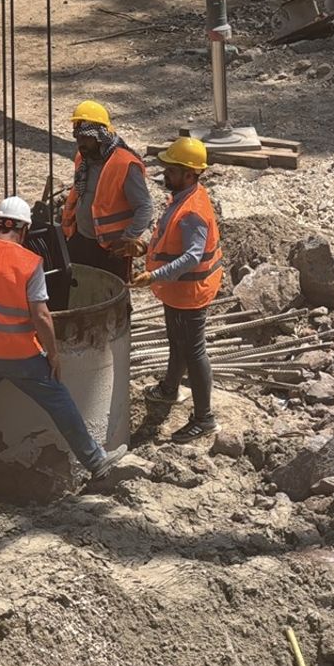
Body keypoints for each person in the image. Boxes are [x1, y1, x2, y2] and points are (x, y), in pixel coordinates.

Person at [0, 165, 128, 482]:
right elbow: (42, 315)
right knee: (60, 403)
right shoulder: (31, 263)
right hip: (20, 357)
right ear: (25, 231)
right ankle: (96, 463)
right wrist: (53, 355)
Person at [131, 137, 223, 442]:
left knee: (193, 351)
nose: (164, 175)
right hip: (178, 291)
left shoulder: (192, 211)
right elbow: (169, 241)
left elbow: (192, 256)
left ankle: (204, 418)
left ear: (189, 173)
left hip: (190, 293)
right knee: (177, 341)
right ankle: (170, 389)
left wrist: (155, 275)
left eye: (171, 170)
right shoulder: (184, 196)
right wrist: (145, 248)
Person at [62, 100, 154, 280]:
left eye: (86, 137)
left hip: (110, 249)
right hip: (80, 239)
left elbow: (144, 207)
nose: (81, 142)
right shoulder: (83, 158)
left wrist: (127, 239)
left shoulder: (125, 164)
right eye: (78, 137)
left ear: (99, 135)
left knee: (111, 298)